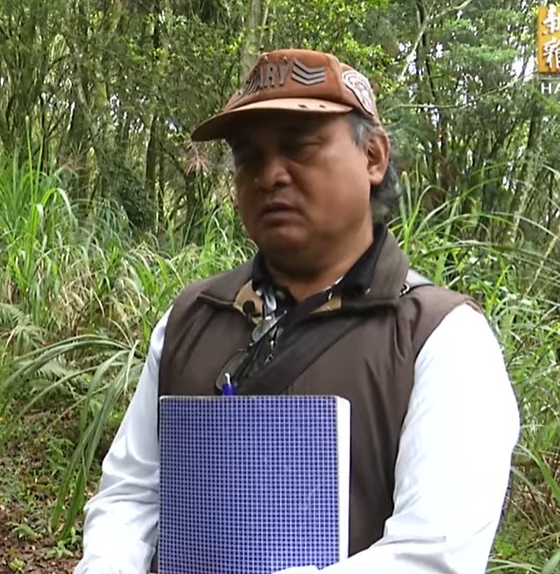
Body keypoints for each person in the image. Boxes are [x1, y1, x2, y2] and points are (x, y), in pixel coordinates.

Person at [72, 48, 521, 574]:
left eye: (299, 147)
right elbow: (132, 493)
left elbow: (431, 556)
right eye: (249, 158)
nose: (269, 176)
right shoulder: (192, 318)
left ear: (373, 157)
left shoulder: (442, 340)